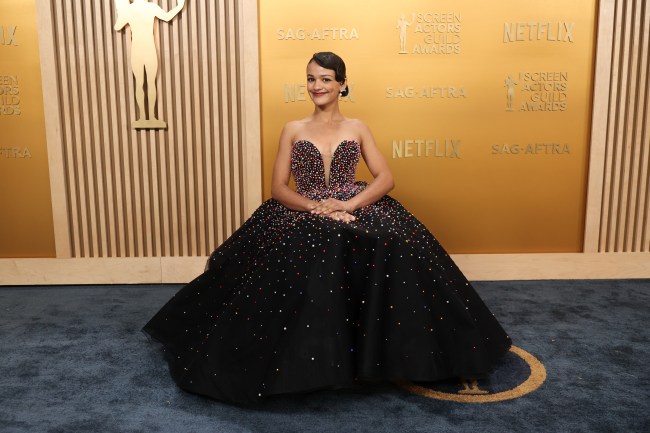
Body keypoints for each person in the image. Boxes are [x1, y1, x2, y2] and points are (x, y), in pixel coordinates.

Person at [143, 52, 511, 404]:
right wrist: (316, 207)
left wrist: (347, 205)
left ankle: (393, 352)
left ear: (342, 84)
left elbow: (385, 178)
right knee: (313, 245)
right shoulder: (293, 129)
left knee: (392, 241)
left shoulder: (358, 128)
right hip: (305, 206)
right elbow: (278, 188)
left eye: (325, 79)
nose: (316, 86)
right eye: (310, 79)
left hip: (351, 203)